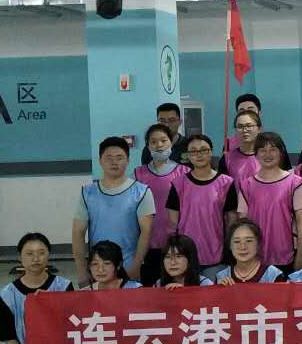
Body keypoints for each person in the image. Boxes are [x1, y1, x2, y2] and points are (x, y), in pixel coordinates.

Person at [0, 232, 72, 344]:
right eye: (29, 254)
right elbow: (8, 336)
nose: (36, 259)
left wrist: (54, 302)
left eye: (41, 253)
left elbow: (74, 325)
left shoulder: (64, 286)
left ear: (49, 254)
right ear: (20, 257)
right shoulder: (8, 294)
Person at [72, 136, 154, 288]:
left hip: (129, 267)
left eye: (119, 157)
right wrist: (82, 270)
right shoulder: (87, 193)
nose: (114, 162)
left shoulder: (142, 192)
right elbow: (78, 232)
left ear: (128, 160)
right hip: (98, 269)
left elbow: (146, 231)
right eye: (108, 158)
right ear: (100, 161)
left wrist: (136, 266)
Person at [237, 131, 302, 271]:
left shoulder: (294, 183)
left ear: (281, 152)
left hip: (286, 255)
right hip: (255, 257)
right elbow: (243, 223)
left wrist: (301, 255)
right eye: (262, 150)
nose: (268, 154)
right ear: (256, 154)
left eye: (272, 149)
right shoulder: (246, 185)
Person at [166, 134, 238, 275]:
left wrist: (229, 249)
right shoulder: (178, 184)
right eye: (193, 151)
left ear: (211, 152)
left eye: (203, 150)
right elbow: (172, 223)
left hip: (216, 255)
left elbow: (232, 220)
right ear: (188, 156)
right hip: (185, 256)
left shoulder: (226, 183)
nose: (199, 154)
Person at [135, 123, 187, 286]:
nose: (159, 145)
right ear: (148, 146)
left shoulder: (184, 172)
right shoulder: (138, 174)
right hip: (148, 243)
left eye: (163, 140)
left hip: (176, 243)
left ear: (171, 143)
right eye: (153, 141)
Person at [214, 219, 287, 285]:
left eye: (249, 241)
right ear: (230, 245)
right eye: (237, 241)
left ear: (258, 244)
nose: (243, 247)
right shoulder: (222, 276)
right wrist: (219, 289)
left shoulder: (273, 275)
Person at [218, 109, 263, 184]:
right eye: (240, 126)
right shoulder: (227, 159)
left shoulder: (268, 157)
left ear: (259, 129)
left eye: (249, 126)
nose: (244, 130)